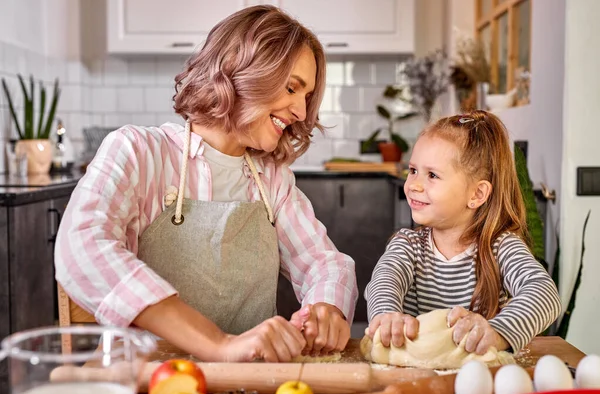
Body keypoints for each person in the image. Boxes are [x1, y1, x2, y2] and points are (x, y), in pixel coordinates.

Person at [55, 5, 358, 363]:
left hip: (250, 380)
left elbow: (323, 262)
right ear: (237, 69)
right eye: (292, 88)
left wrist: (326, 306)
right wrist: (218, 344)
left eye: (307, 98)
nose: (301, 113)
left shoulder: (272, 180)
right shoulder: (139, 152)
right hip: (153, 378)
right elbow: (83, 243)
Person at [364, 110, 561, 355]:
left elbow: (544, 293)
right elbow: (384, 281)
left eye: (432, 175)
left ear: (477, 194)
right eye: (413, 170)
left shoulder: (501, 247)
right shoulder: (408, 245)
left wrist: (497, 333)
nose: (413, 184)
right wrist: (387, 316)